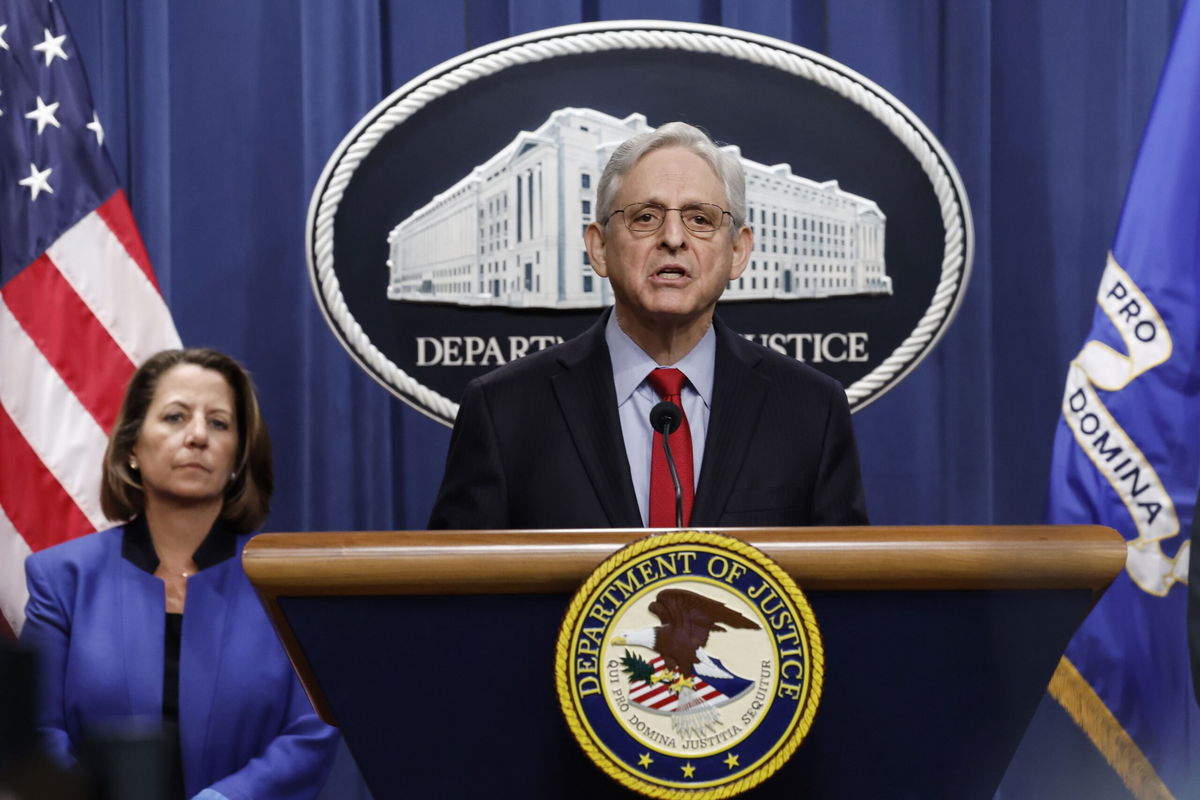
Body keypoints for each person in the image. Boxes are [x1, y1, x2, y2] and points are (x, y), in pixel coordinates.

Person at [429, 122, 867, 530]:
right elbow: (460, 599)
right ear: (599, 248)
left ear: (737, 251)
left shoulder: (811, 409)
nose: (673, 238)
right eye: (645, 217)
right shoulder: (504, 410)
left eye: (700, 219)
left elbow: (843, 598)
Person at [21, 349, 337, 800]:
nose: (197, 436)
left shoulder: (285, 581)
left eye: (219, 423)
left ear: (237, 460)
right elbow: (37, 729)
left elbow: (310, 732)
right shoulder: (63, 579)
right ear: (132, 447)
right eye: (175, 417)